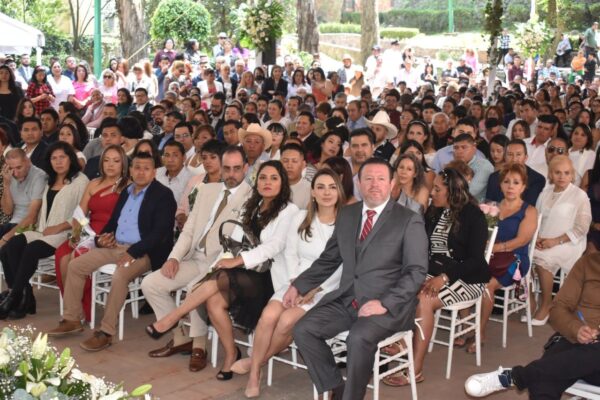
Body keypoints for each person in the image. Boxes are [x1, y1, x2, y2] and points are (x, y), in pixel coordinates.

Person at [282, 157, 428, 399]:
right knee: (304, 329)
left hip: (389, 307)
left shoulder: (408, 219)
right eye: (368, 178)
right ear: (358, 183)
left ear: (392, 183)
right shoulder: (348, 215)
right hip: (348, 298)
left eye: (381, 179)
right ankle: (336, 386)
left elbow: (416, 272)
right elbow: (329, 259)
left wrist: (384, 303)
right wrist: (298, 286)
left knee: (357, 338)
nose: (374, 184)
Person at [145, 160, 298, 380]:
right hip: (243, 272)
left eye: (274, 178)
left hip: (268, 276)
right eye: (263, 177)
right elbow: (233, 239)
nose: (267, 182)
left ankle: (173, 317)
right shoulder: (251, 204)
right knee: (214, 301)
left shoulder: (289, 210)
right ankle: (231, 353)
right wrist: (223, 260)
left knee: (222, 276)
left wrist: (236, 261)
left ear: (282, 183)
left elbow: (274, 246)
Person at [231, 169, 346, 397]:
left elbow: (342, 265)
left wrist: (314, 288)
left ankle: (256, 362)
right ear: (312, 192)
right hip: (296, 281)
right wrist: (297, 284)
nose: (326, 192)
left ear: (339, 192)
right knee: (268, 316)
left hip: (326, 288)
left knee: (286, 322)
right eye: (320, 187)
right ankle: (255, 374)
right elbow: (291, 254)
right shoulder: (301, 217)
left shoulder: (346, 223)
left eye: (332, 187)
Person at [47, 151, 176, 351]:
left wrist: (133, 252)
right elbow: (113, 222)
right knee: (76, 265)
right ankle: (72, 319)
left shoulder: (163, 195)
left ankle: (106, 332)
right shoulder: (126, 191)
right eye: (137, 167)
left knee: (119, 276)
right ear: (130, 170)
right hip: (116, 245)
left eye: (146, 168)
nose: (141, 172)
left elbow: (160, 233)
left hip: (144, 251)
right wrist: (101, 239)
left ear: (154, 172)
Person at [142, 146, 252, 371]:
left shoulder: (251, 199)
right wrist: (173, 258)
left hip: (221, 265)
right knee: (151, 283)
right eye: (227, 168)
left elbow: (237, 245)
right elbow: (189, 230)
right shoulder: (207, 190)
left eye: (237, 169)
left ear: (246, 169)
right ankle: (181, 338)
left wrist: (212, 269)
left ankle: (199, 345)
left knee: (195, 288)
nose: (231, 174)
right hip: (194, 257)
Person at [382, 167, 489, 387]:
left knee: (424, 299)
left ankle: (415, 369)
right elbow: (422, 248)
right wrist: (417, 273)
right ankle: (406, 343)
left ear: (452, 191)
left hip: (467, 278)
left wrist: (444, 277)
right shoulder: (435, 211)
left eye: (437, 189)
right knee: (400, 285)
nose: (432, 193)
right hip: (436, 272)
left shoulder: (473, 215)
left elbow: (475, 260)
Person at [465, 253, 600, 399]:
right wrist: (576, 328)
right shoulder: (590, 262)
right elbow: (558, 308)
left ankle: (515, 376)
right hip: (576, 340)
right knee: (543, 384)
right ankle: (519, 376)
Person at [0, 142, 88, 320]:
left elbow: (84, 215)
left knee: (30, 250)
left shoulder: (81, 181)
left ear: (70, 158)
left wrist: (61, 226)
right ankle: (27, 297)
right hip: (43, 230)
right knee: (12, 245)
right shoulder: (50, 180)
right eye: (54, 158)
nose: (58, 162)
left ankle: (15, 297)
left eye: (62, 157)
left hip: (65, 233)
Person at [54, 145, 128, 322]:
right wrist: (75, 235)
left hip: (110, 236)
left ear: (123, 164)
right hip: (88, 232)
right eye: (107, 160)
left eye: (116, 161)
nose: (110, 165)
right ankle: (75, 309)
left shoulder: (129, 186)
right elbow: (80, 214)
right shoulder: (93, 183)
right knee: (62, 255)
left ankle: (80, 311)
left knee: (75, 259)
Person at [475, 163, 538, 354]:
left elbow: (522, 240)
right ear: (500, 185)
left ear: (523, 186)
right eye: (506, 182)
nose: (511, 186)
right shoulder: (491, 206)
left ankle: (480, 332)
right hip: (489, 256)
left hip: (515, 260)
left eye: (516, 182)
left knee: (486, 286)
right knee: (465, 275)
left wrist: (497, 247)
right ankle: (466, 326)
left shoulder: (529, 211)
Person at [529, 155, 591, 325]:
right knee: (521, 258)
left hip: (569, 243)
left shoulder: (579, 195)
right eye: (557, 172)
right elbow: (537, 218)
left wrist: (555, 241)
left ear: (572, 175)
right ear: (550, 174)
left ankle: (547, 304)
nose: (562, 176)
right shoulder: (545, 192)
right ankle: (530, 302)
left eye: (566, 173)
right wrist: (538, 238)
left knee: (543, 260)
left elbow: (582, 227)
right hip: (542, 239)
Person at [0, 148, 47, 245]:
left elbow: (32, 217)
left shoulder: (39, 177)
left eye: (19, 167)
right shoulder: (9, 176)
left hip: (29, 227)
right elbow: (7, 210)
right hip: (12, 223)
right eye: (11, 168)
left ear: (27, 161)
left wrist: (5, 239)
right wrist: (6, 184)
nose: (15, 173)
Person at [485, 139, 546, 206]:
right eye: (510, 154)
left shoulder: (537, 179)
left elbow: (528, 205)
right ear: (505, 157)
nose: (514, 159)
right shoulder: (494, 177)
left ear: (526, 157)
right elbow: (489, 204)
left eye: (518, 154)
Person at [281, 143, 311, 209]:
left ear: (303, 164)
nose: (289, 166)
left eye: (294, 161)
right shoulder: (272, 184)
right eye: (285, 161)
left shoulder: (310, 190)